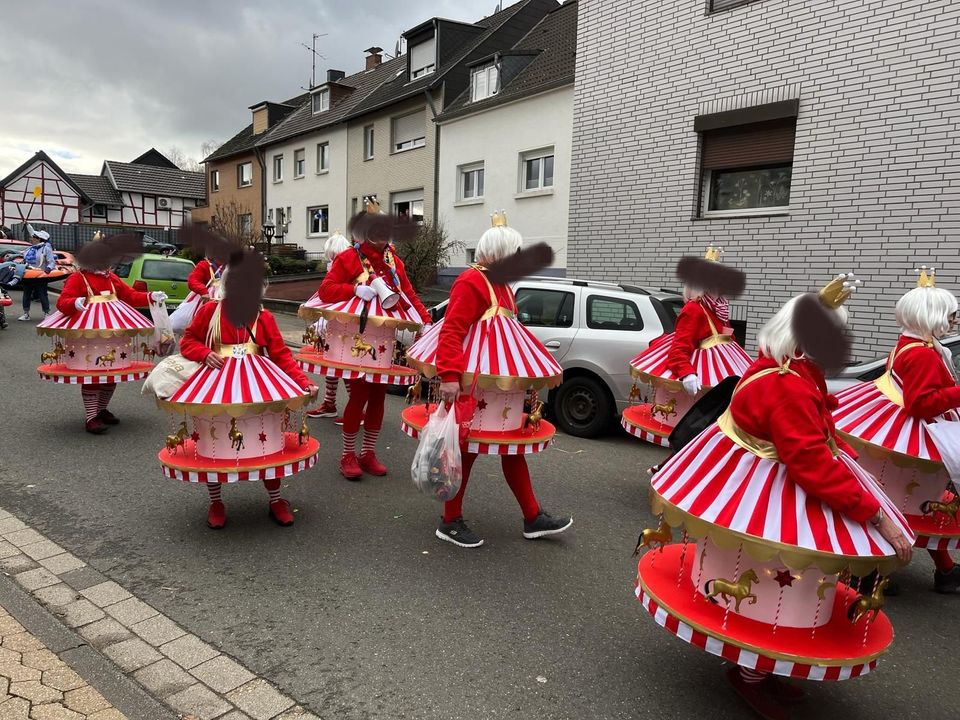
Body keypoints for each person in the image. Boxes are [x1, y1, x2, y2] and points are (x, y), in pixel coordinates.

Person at [637, 275, 912, 720]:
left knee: (770, 579)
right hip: (771, 486)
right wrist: (873, 513)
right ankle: (749, 674)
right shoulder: (788, 383)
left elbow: (807, 417)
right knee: (771, 578)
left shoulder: (780, 365)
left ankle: (761, 671)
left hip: (761, 478)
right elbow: (809, 462)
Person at [426, 215, 573, 547]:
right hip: (473, 383)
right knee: (465, 448)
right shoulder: (470, 281)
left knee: (510, 448)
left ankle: (532, 517)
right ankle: (450, 520)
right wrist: (449, 376)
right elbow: (452, 331)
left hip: (497, 386)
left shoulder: (502, 286)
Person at [834, 267, 960, 593]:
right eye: (951, 315)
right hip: (915, 440)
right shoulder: (924, 355)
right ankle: (872, 569)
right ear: (930, 316)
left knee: (916, 501)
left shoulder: (910, 344)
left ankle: (940, 570)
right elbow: (920, 403)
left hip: (899, 435)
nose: (955, 320)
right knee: (917, 503)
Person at [178, 275, 319, 528]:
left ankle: (276, 499)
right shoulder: (210, 311)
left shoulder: (264, 317)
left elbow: (281, 354)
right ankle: (216, 501)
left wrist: (302, 381)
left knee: (268, 442)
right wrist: (204, 353)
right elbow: (188, 341)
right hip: (218, 384)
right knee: (215, 443)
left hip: (258, 385)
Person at [317, 205, 430, 479]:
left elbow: (409, 295)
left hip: (383, 339)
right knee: (359, 395)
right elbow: (326, 290)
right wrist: (354, 289)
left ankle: (367, 453)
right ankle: (347, 455)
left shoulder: (394, 262)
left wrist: (424, 322)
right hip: (355, 339)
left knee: (378, 396)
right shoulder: (348, 258)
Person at [624, 247, 751, 447]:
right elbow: (678, 349)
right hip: (698, 385)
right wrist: (687, 374)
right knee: (690, 439)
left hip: (717, 383)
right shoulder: (694, 310)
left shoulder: (718, 309)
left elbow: (726, 338)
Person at [50, 254, 166, 433]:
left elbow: (131, 296)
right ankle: (91, 417)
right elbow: (62, 302)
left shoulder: (111, 278)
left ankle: (101, 409)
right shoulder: (77, 278)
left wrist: (151, 296)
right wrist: (75, 302)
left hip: (113, 334)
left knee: (112, 373)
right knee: (92, 375)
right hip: (88, 335)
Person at [307, 231, 353, 421]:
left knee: (346, 367)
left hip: (346, 325)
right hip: (336, 324)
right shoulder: (342, 266)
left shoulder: (347, 269)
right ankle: (330, 403)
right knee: (332, 365)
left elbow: (338, 298)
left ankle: (354, 407)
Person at [17, 229, 56, 320]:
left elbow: (51, 262)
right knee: (26, 293)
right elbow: (24, 258)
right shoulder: (30, 248)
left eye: (34, 237)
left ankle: (46, 313)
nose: (32, 238)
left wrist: (48, 269)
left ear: (39, 239)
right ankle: (26, 314)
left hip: (40, 275)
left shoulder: (46, 248)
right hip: (28, 274)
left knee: (42, 294)